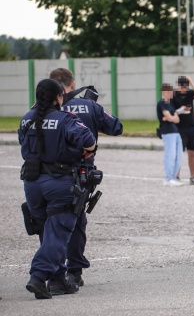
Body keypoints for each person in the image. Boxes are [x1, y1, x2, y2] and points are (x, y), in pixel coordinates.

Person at [19, 79, 96, 299]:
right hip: (59, 182)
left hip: (32, 183)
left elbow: (21, 143)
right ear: (58, 97)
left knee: (46, 232)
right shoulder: (65, 119)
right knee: (58, 233)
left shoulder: (26, 119)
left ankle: (57, 280)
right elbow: (88, 141)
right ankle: (38, 276)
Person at [49, 68, 123, 288]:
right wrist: (92, 109)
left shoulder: (44, 107)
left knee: (50, 222)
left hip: (50, 173)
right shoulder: (89, 105)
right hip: (81, 173)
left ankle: (54, 271)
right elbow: (116, 127)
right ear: (72, 84)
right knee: (77, 222)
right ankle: (74, 271)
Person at [172, 75, 194, 184]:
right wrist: (182, 110)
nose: (184, 89)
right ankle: (176, 176)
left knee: (192, 153)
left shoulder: (190, 93)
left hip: (192, 127)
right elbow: (171, 112)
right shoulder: (173, 95)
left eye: (186, 86)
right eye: (182, 87)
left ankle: (193, 176)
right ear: (178, 86)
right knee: (179, 153)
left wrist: (191, 81)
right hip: (180, 128)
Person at [158, 83, 183, 187]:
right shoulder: (161, 103)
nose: (171, 93)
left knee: (179, 156)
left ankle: (173, 177)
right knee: (170, 155)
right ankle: (168, 178)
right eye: (169, 92)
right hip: (167, 132)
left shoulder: (170, 105)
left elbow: (177, 119)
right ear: (164, 92)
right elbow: (169, 118)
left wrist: (171, 117)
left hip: (175, 132)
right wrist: (170, 117)